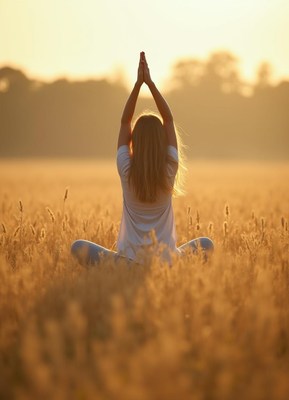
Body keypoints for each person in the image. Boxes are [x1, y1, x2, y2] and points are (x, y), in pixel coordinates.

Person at [71, 52, 214, 265]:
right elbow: (169, 119)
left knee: (78, 246)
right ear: (162, 142)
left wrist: (138, 85)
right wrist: (151, 84)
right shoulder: (169, 170)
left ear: (133, 141)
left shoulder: (126, 169)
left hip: (127, 264)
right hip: (167, 263)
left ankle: (115, 274)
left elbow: (124, 121)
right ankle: (176, 274)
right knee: (206, 243)